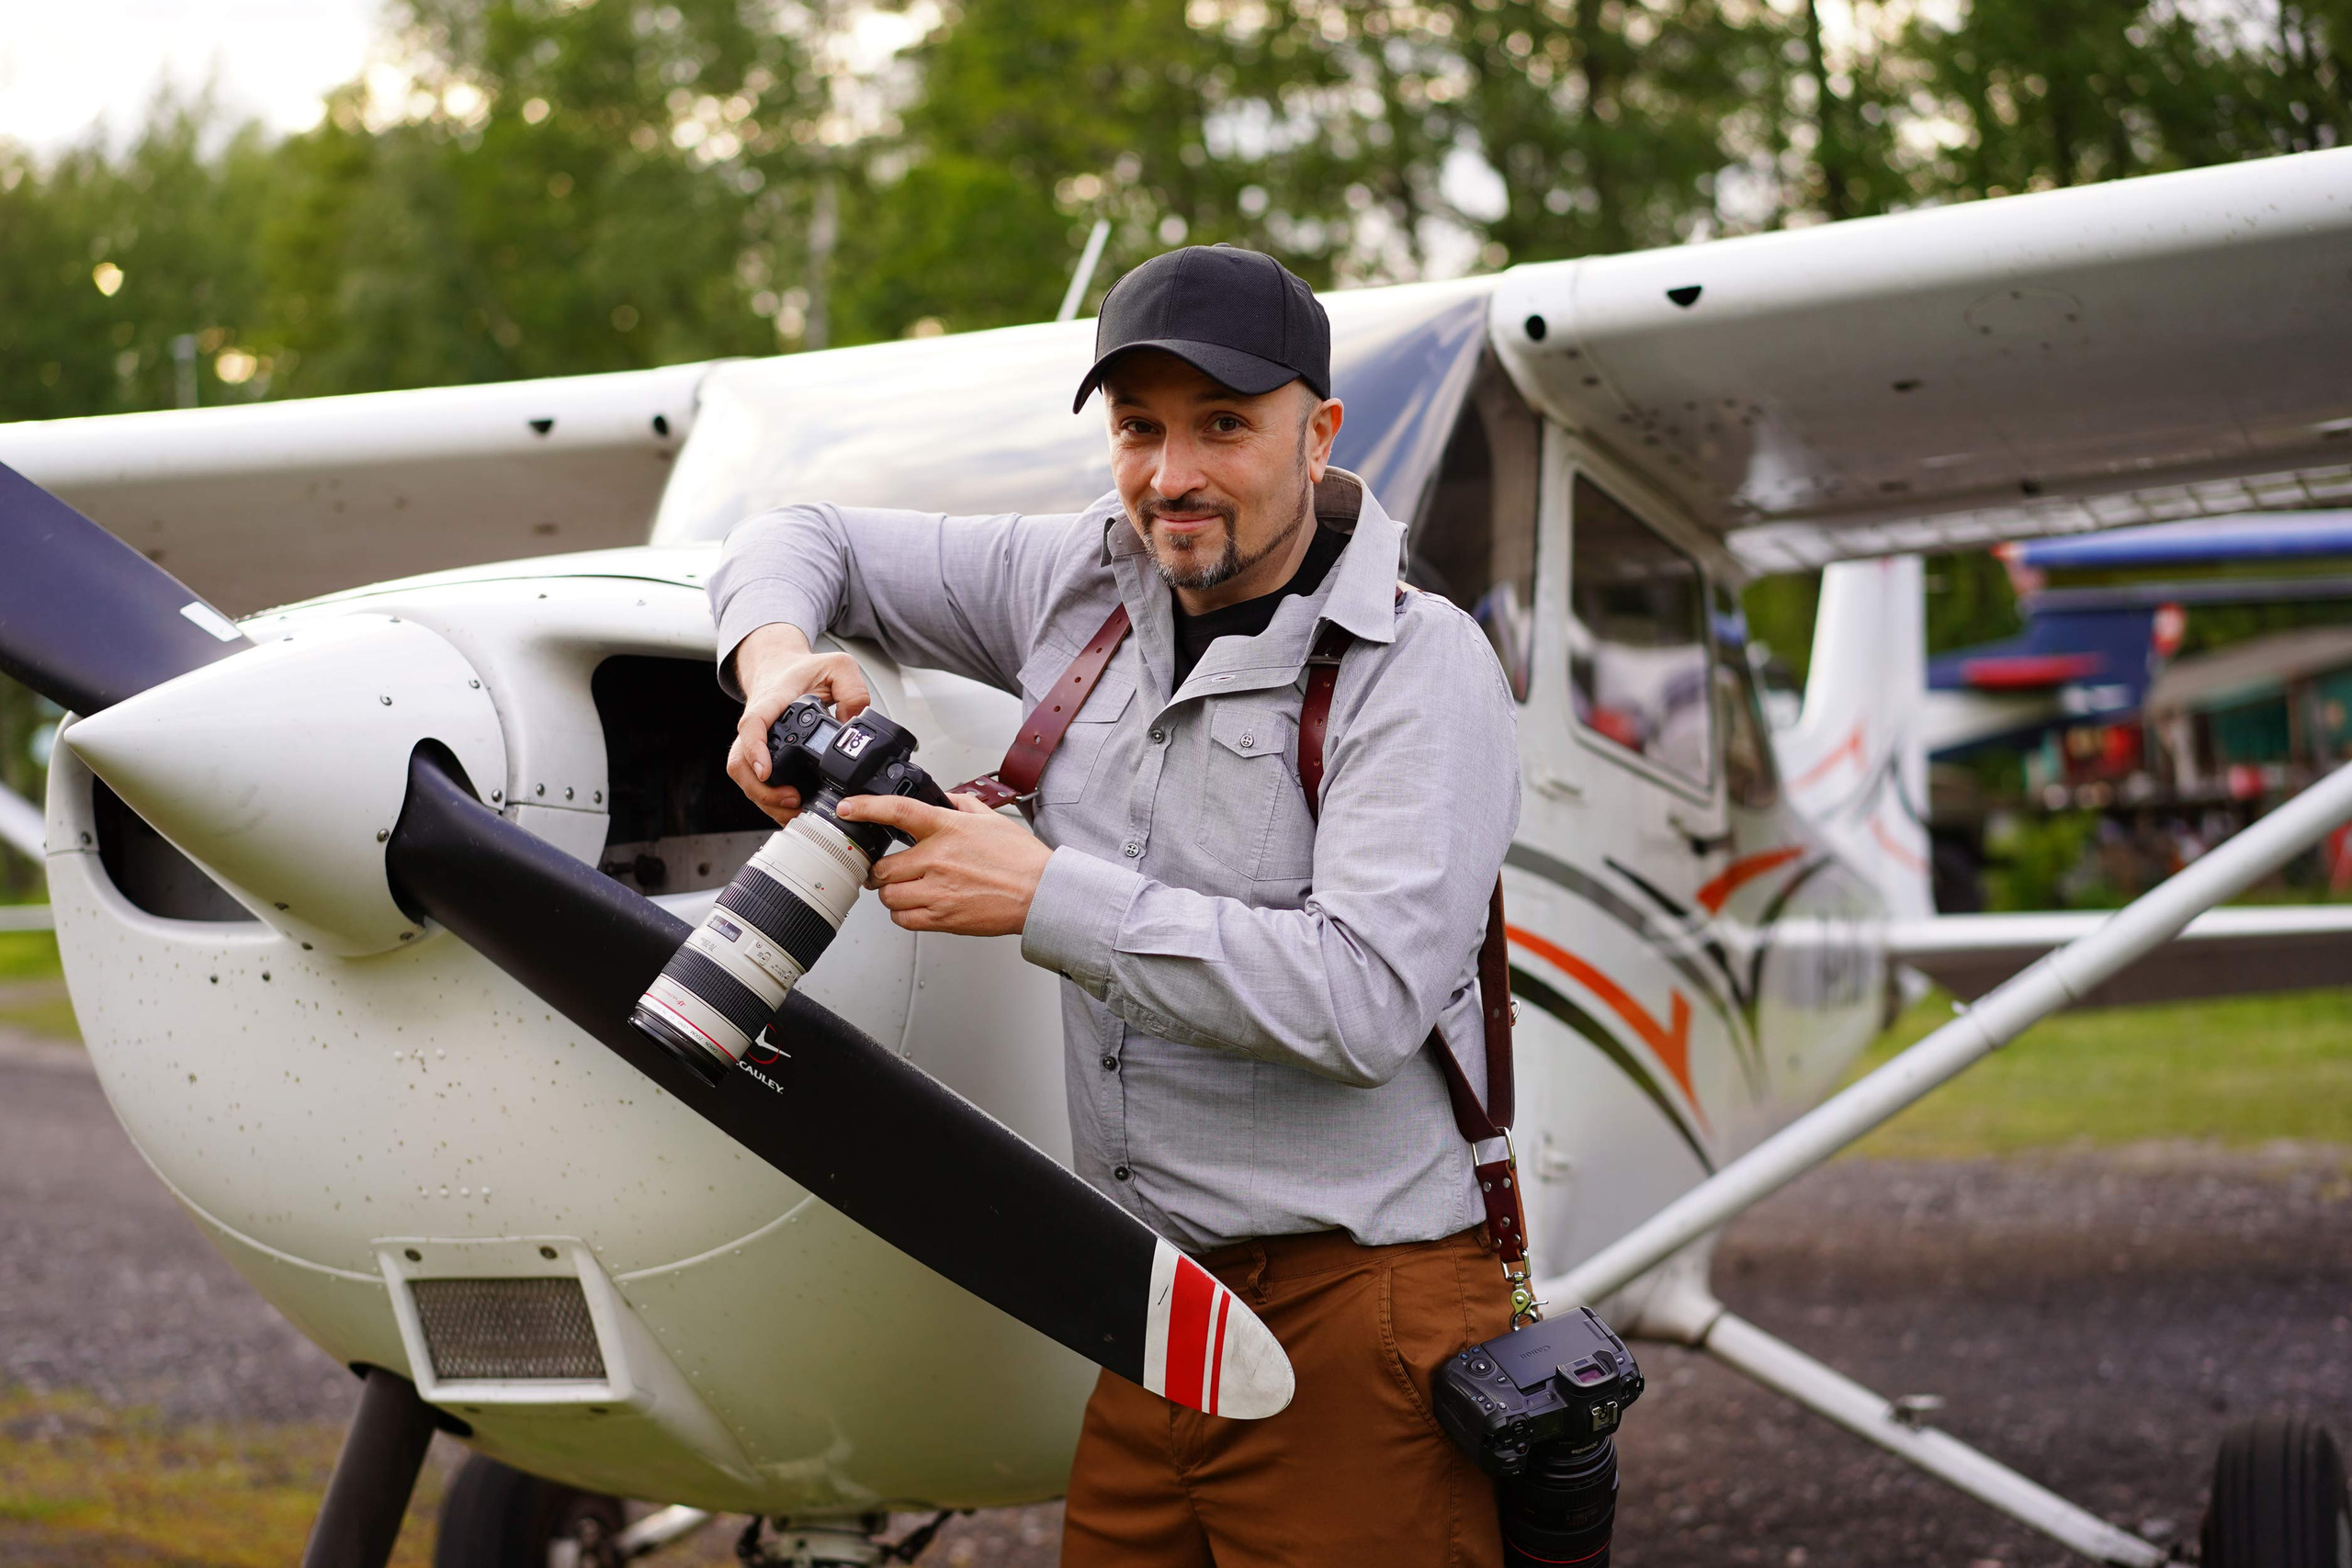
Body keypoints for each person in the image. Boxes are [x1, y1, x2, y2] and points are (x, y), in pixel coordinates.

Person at [711, 243, 1521, 1566]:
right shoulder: (1075, 576)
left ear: (1317, 432)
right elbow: (800, 534)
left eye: (1223, 427)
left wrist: (1039, 892)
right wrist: (777, 660)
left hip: (1357, 1311)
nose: (1171, 476)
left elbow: (1365, 998)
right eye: (1138, 428)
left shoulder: (1423, 669)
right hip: (1150, 1305)